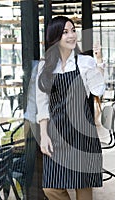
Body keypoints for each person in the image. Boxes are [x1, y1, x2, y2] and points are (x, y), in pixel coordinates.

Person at [36, 16, 105, 200]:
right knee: (51, 187)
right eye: (65, 32)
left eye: (73, 30)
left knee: (82, 185)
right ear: (55, 37)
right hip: (56, 131)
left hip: (82, 131)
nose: (71, 35)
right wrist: (43, 134)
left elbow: (98, 90)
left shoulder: (84, 62)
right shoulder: (46, 66)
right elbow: (41, 103)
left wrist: (98, 63)